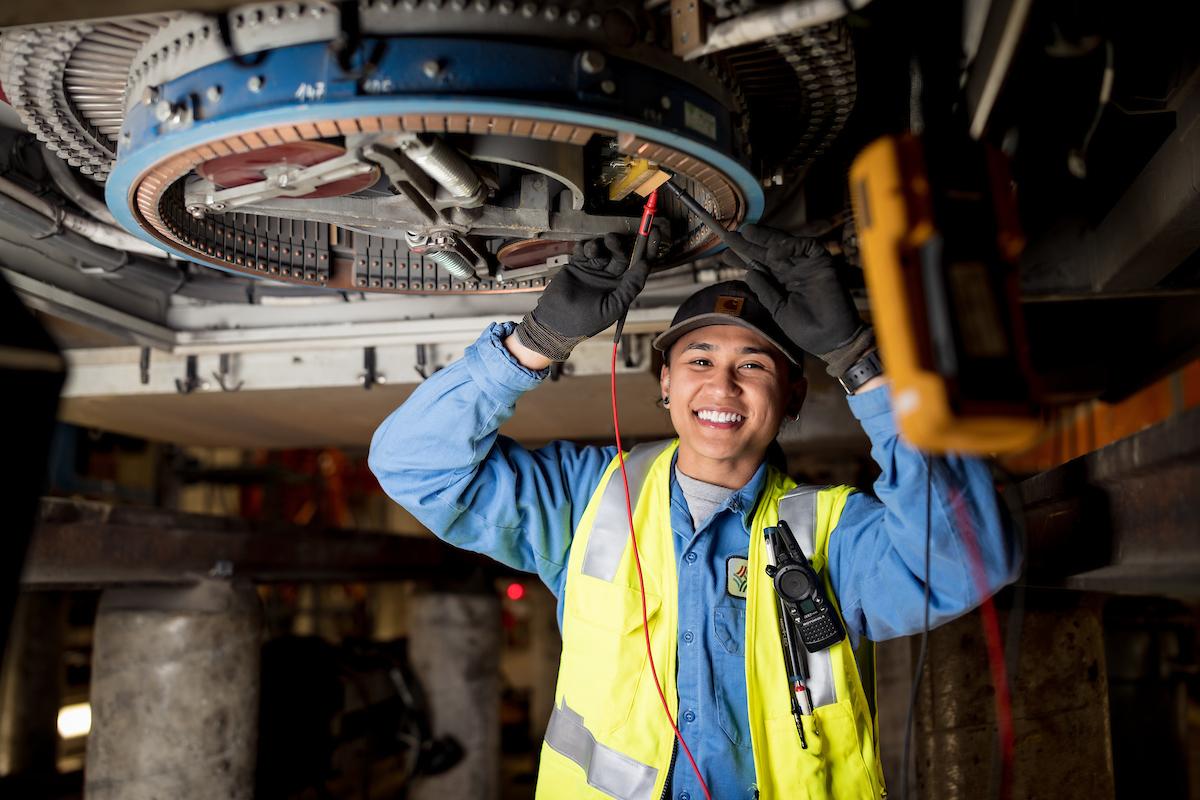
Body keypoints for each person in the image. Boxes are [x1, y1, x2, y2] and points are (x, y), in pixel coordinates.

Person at [369, 227, 1021, 800]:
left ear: (792, 395)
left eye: (754, 365)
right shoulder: (583, 498)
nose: (721, 385)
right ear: (665, 382)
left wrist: (859, 362)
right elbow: (412, 465)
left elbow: (970, 562)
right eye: (699, 360)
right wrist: (534, 344)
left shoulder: (833, 534)